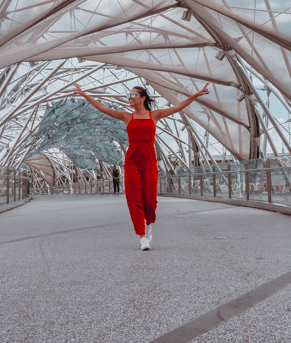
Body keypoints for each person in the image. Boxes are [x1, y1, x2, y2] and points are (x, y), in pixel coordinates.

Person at [74, 82, 210, 250]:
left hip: (149, 161)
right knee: (134, 199)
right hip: (132, 162)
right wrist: (85, 95)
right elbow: (102, 108)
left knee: (150, 201)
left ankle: (149, 223)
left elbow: (178, 106)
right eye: (128, 95)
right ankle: (142, 236)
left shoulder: (155, 115)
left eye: (133, 95)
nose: (129, 98)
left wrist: (195, 95)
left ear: (142, 98)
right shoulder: (126, 116)